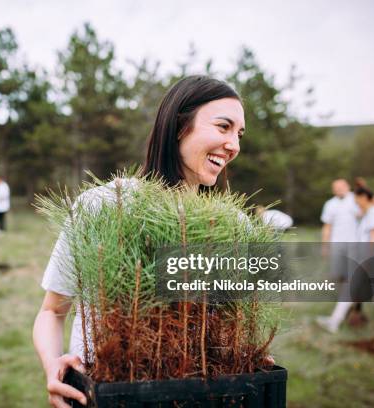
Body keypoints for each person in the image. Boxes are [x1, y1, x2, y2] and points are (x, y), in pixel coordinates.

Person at [33, 76, 248, 407]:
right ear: (179, 126)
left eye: (239, 134)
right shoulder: (103, 206)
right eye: (223, 127)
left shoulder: (235, 227)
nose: (234, 144)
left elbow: (235, 330)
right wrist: (52, 367)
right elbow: (52, 311)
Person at [316, 186, 374, 335]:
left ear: (364, 197)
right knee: (357, 291)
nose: (356, 204)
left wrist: (367, 260)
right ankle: (334, 322)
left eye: (357, 200)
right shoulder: (369, 212)